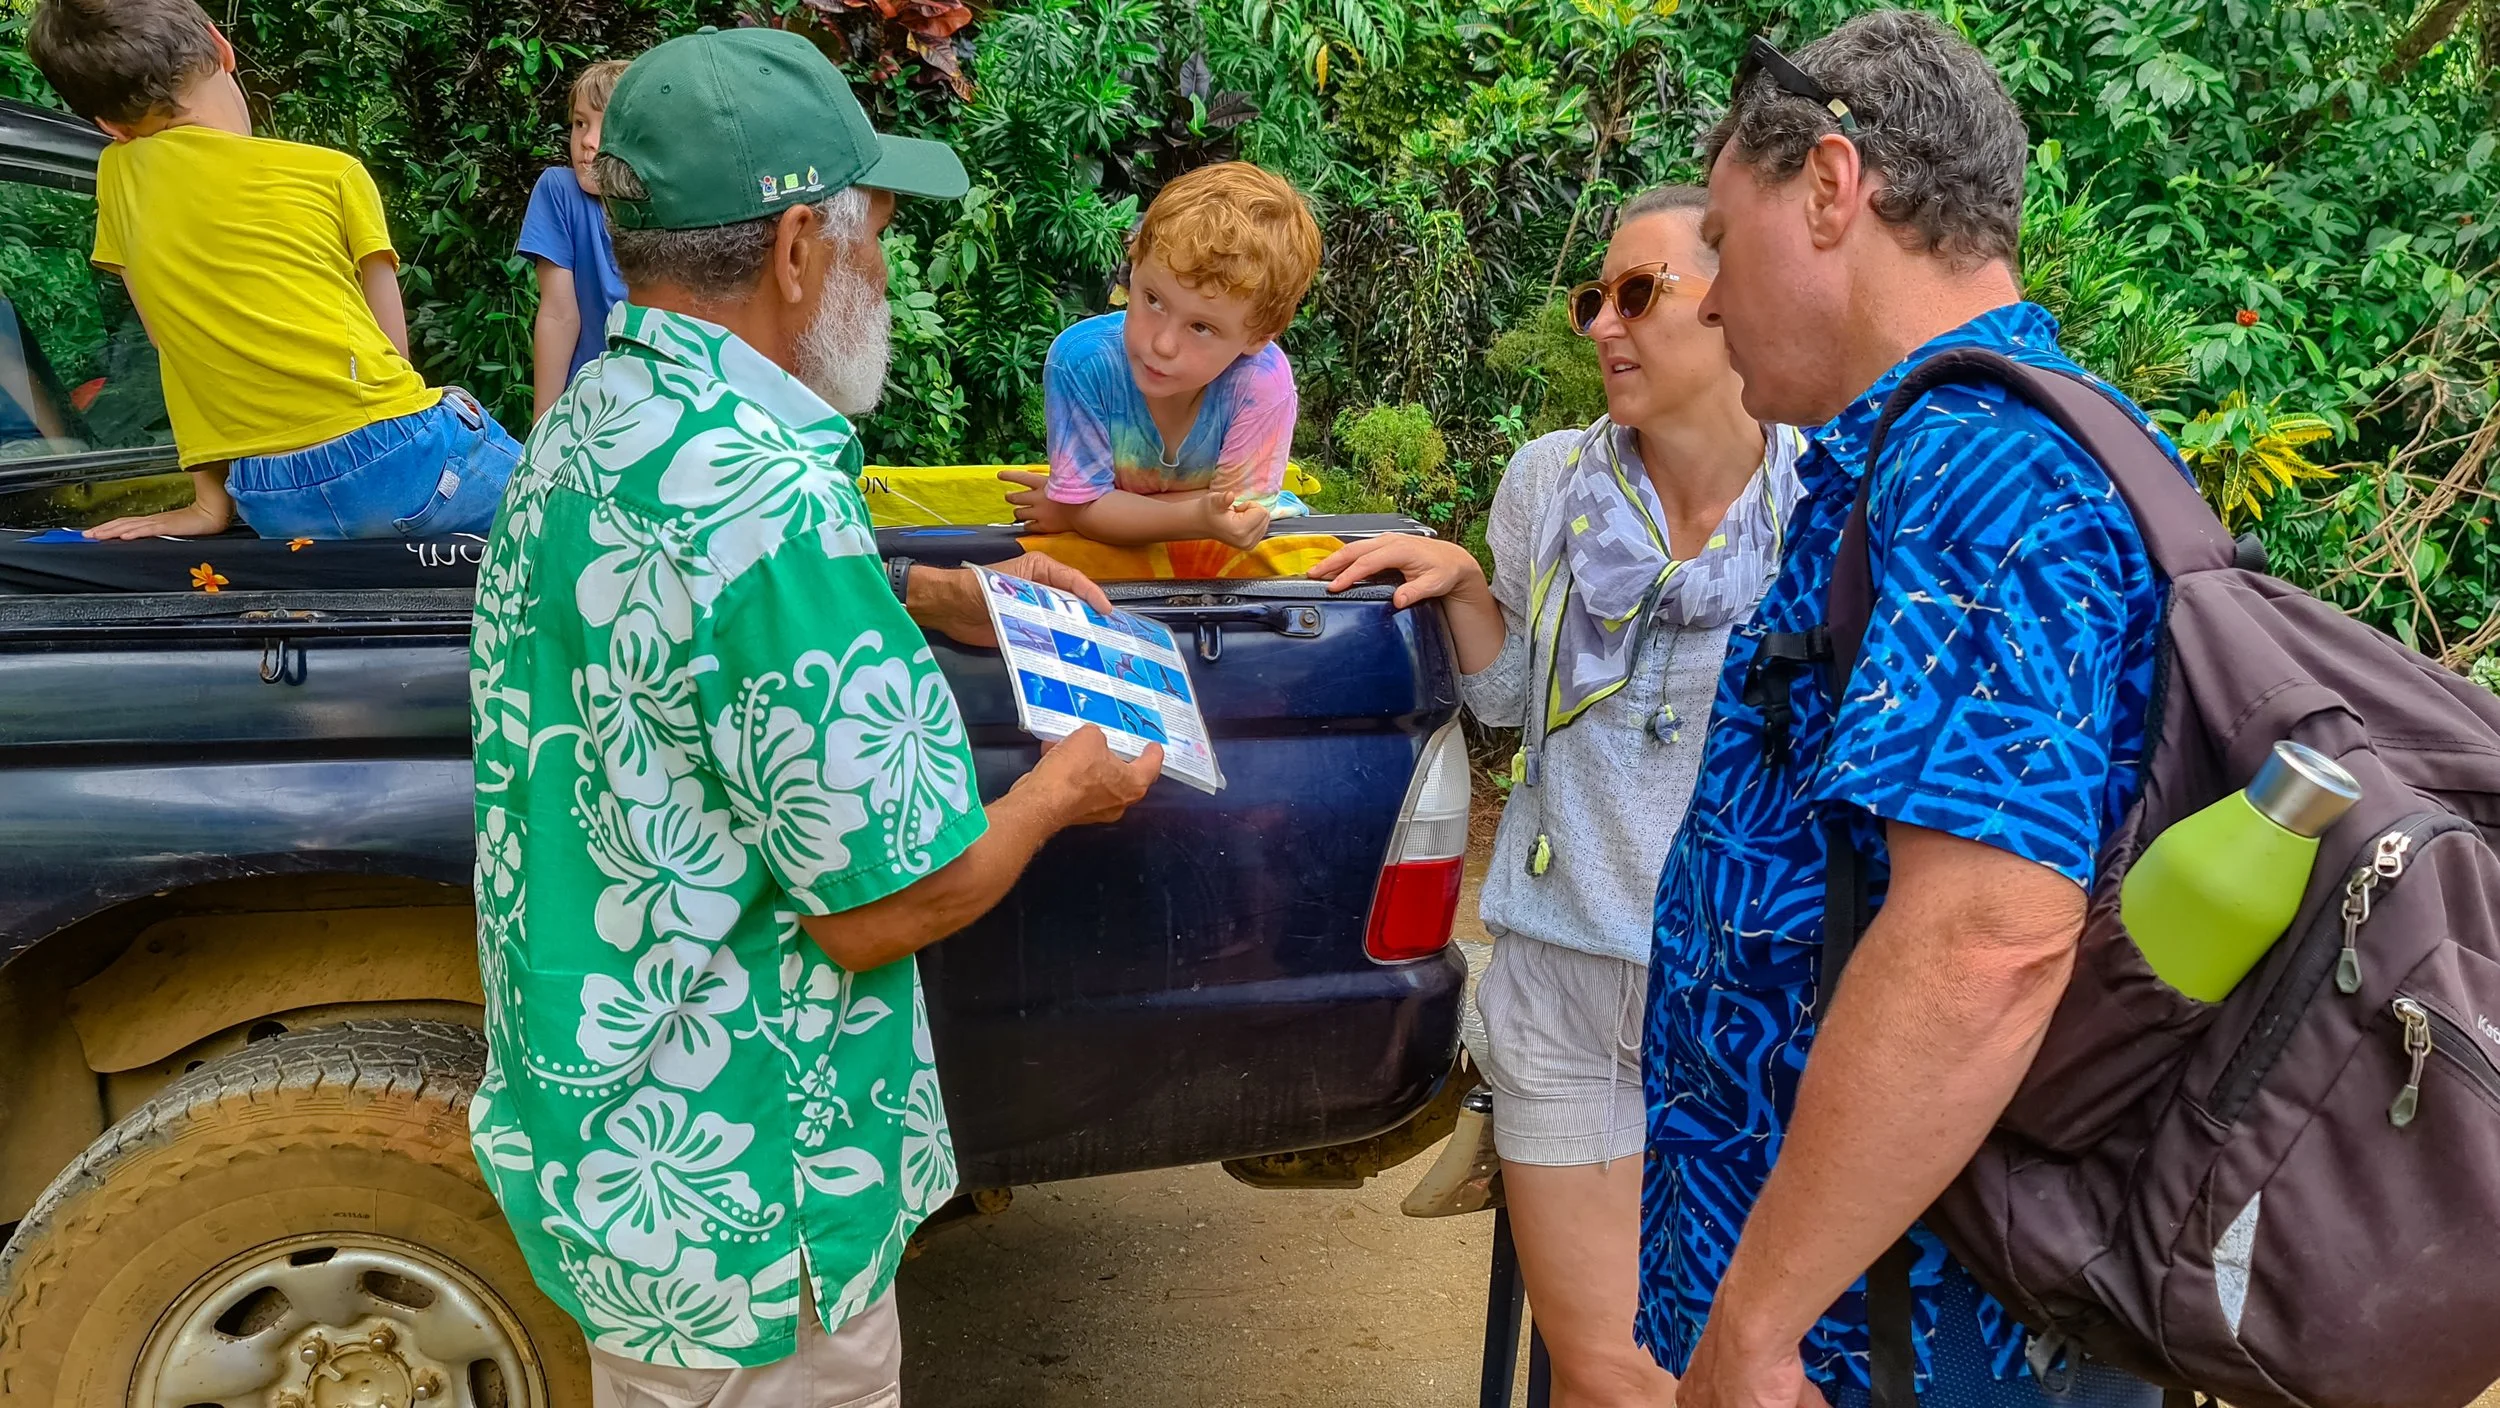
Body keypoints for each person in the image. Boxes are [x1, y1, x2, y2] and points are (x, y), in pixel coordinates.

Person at [465, 26, 1161, 1406]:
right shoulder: (768, 500)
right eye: (874, 238)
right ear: (795, 250)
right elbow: (889, 903)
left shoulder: (587, 426)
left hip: (618, 1150)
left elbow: (681, 631)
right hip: (751, 1187)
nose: (881, 274)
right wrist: (1062, 789)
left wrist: (916, 591)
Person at [1638, 13, 2181, 1408]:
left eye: (1724, 238)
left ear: (1832, 187)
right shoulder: (1978, 445)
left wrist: (1760, 1323)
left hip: (1910, 1337)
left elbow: (1985, 937)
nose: (1710, 298)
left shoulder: (1983, 470)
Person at [1308, 185, 1802, 1408]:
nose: (1601, 325)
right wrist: (1465, 583)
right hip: (1565, 973)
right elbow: (1506, 704)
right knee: (1607, 1374)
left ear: (1736, 299)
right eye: (1594, 298)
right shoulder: (1549, 483)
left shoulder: (1824, 502)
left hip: (1746, 991)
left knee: (1746, 1376)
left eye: (1637, 292)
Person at [27, 0, 521, 541]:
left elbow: (171, 341)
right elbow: (394, 358)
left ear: (111, 127)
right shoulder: (333, 174)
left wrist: (208, 504)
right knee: (574, 506)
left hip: (269, 494)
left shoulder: (119, 176)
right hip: (398, 456)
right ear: (221, 44)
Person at [999, 161, 1318, 549]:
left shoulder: (1262, 381)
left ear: (1258, 337)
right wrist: (1094, 511)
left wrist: (1086, 511)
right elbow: (1215, 515)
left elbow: (1239, 520)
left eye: (1201, 327)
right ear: (1134, 266)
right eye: (1153, 300)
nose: (1163, 344)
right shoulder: (1082, 362)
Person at [520, 57, 630, 421]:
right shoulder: (559, 191)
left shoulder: (671, 205)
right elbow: (559, 314)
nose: (588, 142)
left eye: (606, 126)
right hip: (583, 409)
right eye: (580, 123)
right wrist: (543, 427)